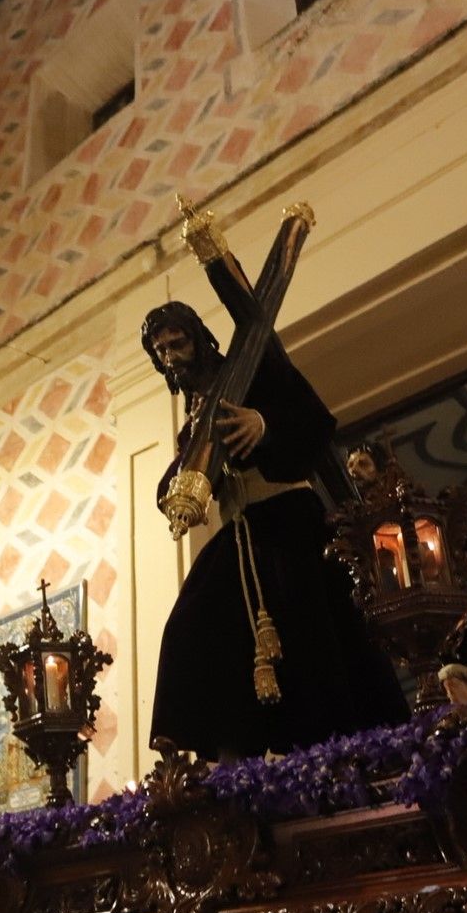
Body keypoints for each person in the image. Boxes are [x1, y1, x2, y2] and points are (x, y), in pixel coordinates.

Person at [141, 300, 405, 759]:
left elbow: (315, 422)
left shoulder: (252, 373)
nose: (171, 356)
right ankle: (222, 745)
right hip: (241, 534)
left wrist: (264, 424)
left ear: (199, 336)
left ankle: (335, 747)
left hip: (288, 519)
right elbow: (186, 472)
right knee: (192, 624)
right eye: (161, 351)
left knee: (312, 629)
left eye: (177, 342)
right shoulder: (193, 424)